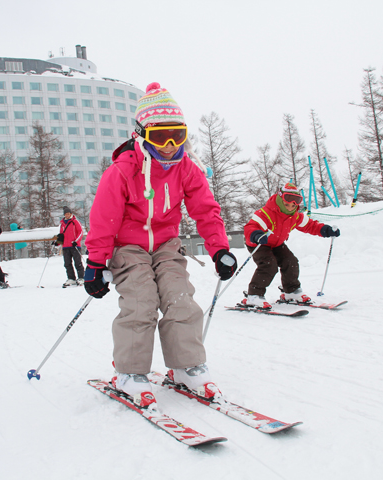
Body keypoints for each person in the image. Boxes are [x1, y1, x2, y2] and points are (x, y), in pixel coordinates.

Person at [83, 82, 237, 408]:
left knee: (181, 298)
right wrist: (96, 263)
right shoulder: (123, 171)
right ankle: (129, 373)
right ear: (141, 134)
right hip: (127, 247)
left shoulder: (186, 169)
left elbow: (206, 211)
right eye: (160, 137)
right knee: (141, 301)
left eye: (177, 137)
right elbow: (104, 219)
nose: (169, 146)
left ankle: (186, 366)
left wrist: (220, 249)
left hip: (166, 244)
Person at [241, 182, 341, 309]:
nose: (291, 205)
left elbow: (310, 226)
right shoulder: (266, 213)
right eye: (288, 201)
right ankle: (254, 296)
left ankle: (291, 292)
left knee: (291, 261)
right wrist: (256, 235)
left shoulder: (294, 216)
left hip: (277, 243)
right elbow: (250, 227)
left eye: (296, 201)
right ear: (280, 198)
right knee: (269, 265)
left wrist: (325, 230)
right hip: (259, 244)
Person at [53, 206, 85, 287]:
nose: (67, 215)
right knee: (67, 263)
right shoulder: (62, 224)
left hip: (74, 246)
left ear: (71, 214)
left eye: (68, 214)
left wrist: (76, 241)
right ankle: (71, 278)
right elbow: (61, 235)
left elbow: (80, 232)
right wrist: (57, 242)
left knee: (78, 262)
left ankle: (81, 277)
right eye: (65, 214)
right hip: (65, 246)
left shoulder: (75, 222)